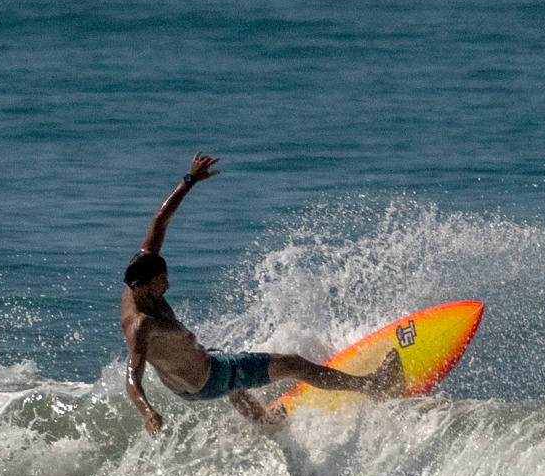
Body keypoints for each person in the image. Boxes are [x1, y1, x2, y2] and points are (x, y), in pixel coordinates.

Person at [121, 152, 402, 434]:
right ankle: (373, 385)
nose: (167, 287)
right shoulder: (141, 324)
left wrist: (189, 180)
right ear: (142, 285)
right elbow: (133, 377)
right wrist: (148, 412)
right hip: (209, 378)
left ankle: (266, 423)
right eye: (161, 283)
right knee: (293, 364)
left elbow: (160, 221)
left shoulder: (140, 271)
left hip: (190, 385)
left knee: (225, 366)